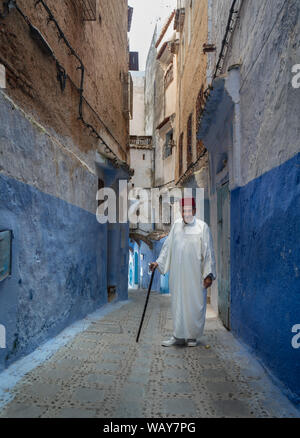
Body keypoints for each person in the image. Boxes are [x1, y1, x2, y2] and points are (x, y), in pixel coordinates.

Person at [149, 197, 216, 347]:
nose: (186, 213)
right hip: (178, 276)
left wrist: (208, 274)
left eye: (189, 210)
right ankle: (177, 335)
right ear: (181, 211)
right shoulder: (176, 226)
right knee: (178, 304)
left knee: (194, 304)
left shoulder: (202, 227)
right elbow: (167, 247)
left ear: (194, 210)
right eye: (183, 210)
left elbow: (208, 252)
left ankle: (192, 337)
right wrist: (158, 263)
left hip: (195, 276)